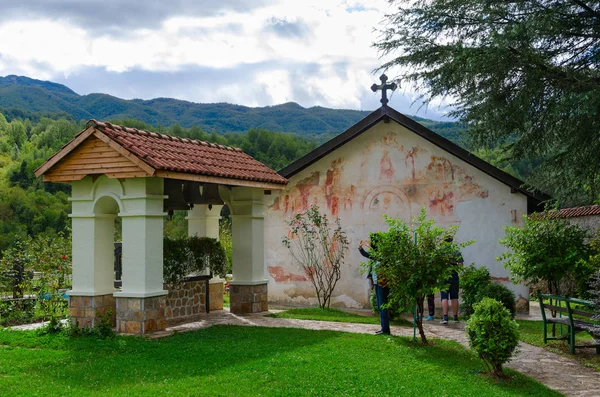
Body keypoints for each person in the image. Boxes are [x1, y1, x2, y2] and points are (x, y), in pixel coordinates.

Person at [359, 236, 390, 335]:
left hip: (382, 284)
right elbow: (367, 254)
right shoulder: (375, 256)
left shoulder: (382, 255)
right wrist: (360, 248)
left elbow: (374, 255)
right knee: (380, 306)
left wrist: (370, 248)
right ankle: (383, 328)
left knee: (382, 305)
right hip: (377, 283)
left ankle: (385, 329)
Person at [440, 237, 464, 324]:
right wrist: (455, 264)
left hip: (444, 277)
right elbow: (461, 264)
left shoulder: (441, 252)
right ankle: (455, 317)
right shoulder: (456, 251)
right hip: (454, 276)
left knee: (444, 297)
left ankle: (445, 317)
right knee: (454, 297)